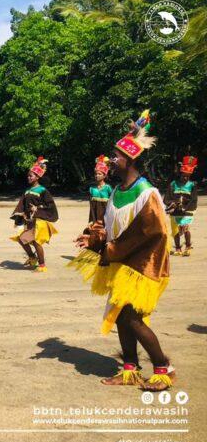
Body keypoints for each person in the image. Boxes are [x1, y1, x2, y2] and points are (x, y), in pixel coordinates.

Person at [70, 109, 174, 391]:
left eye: (115, 157)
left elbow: (153, 233)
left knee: (132, 318)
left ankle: (164, 368)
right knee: (121, 317)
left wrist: (114, 249)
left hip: (143, 266)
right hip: (121, 263)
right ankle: (130, 369)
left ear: (129, 159)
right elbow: (108, 226)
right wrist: (92, 238)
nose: (110, 161)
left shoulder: (147, 193)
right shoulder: (116, 192)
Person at [10, 157, 58, 272]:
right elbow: (22, 205)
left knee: (36, 242)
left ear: (37, 177)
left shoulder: (42, 190)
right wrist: (20, 216)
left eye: (31, 176)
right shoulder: (27, 191)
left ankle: (42, 265)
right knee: (22, 239)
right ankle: (32, 257)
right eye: (28, 175)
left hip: (39, 221)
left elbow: (50, 205)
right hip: (30, 221)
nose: (28, 177)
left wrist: (38, 208)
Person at [165, 156, 198, 257]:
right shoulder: (173, 184)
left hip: (188, 211)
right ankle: (178, 248)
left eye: (188, 176)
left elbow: (194, 200)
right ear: (181, 174)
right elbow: (166, 199)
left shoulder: (192, 185)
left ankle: (188, 247)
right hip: (175, 212)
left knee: (185, 228)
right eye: (184, 175)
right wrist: (172, 204)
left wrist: (185, 208)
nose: (185, 178)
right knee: (176, 231)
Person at [88, 155, 113, 228]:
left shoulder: (108, 188)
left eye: (99, 174)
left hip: (106, 216)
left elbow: (111, 204)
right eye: (96, 174)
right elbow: (91, 208)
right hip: (95, 217)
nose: (97, 176)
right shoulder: (91, 189)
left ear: (104, 176)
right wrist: (92, 220)